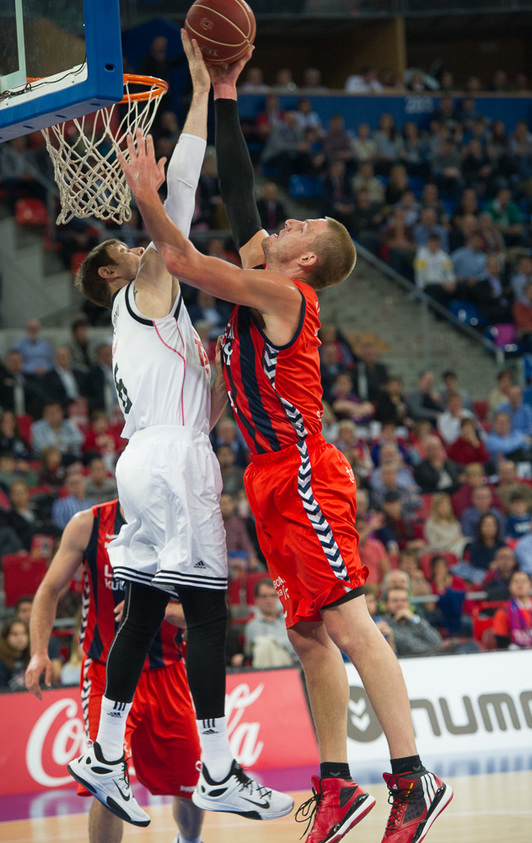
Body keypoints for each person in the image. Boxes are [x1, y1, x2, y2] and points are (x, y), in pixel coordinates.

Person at [118, 41, 453, 843]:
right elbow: (239, 196)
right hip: (269, 479)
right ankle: (337, 785)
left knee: (352, 622)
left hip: (303, 471)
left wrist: (149, 197)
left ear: (304, 259)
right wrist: (226, 93)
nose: (278, 224)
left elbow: (179, 256)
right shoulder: (267, 271)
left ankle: (414, 779)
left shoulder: (282, 291)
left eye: (295, 226)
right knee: (306, 634)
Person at [63, 34, 293, 828]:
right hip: (171, 460)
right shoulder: (146, 287)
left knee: (151, 606)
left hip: (153, 456)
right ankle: (220, 767)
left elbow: (215, 404)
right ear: (110, 276)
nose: (137, 249)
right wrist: (198, 92)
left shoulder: (154, 323)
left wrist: (222, 371)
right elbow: (184, 197)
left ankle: (101, 751)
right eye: (123, 250)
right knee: (208, 614)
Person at [25, 501, 207, 843]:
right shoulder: (87, 525)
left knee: (191, 781)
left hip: (167, 674)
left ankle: (189, 840)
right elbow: (48, 589)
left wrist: (158, 610)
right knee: (105, 779)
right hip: (104, 675)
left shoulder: (187, 527)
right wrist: (38, 652)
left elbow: (207, 612)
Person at [244, 578, 297, 667]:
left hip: (292, 662)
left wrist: (275, 641)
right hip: (270, 662)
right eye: (264, 596)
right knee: (264, 644)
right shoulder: (253, 625)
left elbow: (296, 645)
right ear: (256, 600)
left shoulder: (286, 621)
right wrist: (285, 643)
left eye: (273, 596)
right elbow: (257, 649)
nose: (269, 600)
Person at [493, 570, 532, 649]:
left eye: (524, 581)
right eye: (516, 582)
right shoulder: (503, 612)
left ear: (530, 586)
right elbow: (501, 642)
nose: (520, 585)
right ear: (510, 587)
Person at [0, 617, 30, 691]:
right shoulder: (1, 662)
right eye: (15, 634)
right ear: (5, 637)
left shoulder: (32, 657)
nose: (20, 638)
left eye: (24, 633)